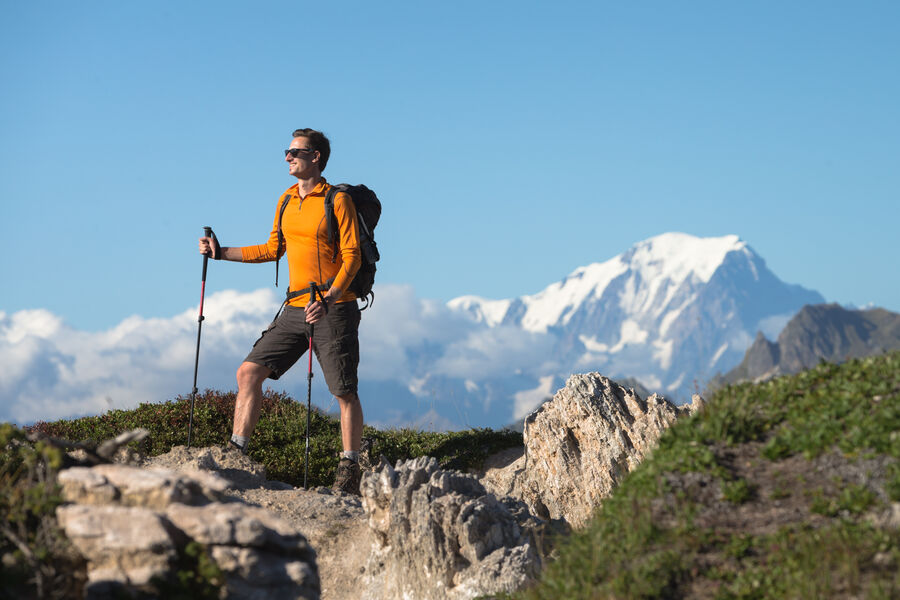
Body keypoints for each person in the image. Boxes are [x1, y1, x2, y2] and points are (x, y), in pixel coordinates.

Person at [198, 128, 364, 494]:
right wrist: (220, 252)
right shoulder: (287, 200)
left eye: (295, 151)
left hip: (334, 308)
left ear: (316, 157)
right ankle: (237, 452)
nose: (287, 157)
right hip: (294, 306)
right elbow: (274, 248)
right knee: (248, 372)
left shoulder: (336, 201)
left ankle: (350, 466)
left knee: (344, 392)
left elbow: (352, 256)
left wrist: (330, 297)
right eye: (286, 151)